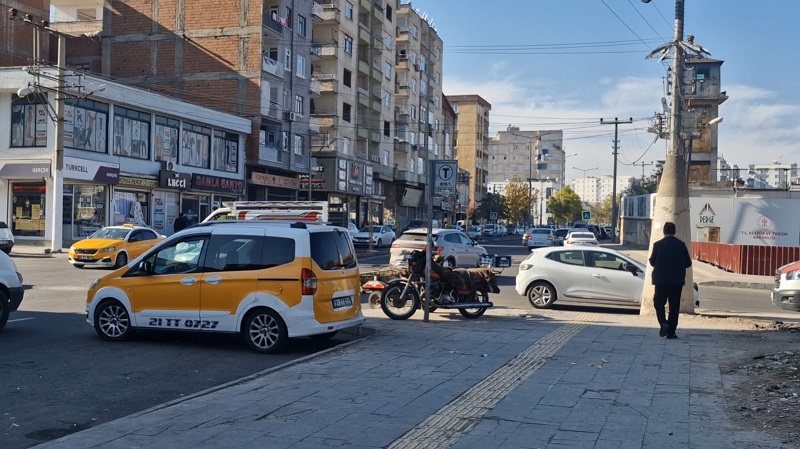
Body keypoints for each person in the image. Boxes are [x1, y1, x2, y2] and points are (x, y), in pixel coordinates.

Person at [648, 221, 692, 339]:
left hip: (661, 281)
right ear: (674, 232)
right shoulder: (681, 245)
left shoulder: (657, 245)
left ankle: (663, 323)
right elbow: (688, 263)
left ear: (664, 232)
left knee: (658, 303)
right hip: (676, 281)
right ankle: (671, 332)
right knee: (674, 306)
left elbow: (652, 261)